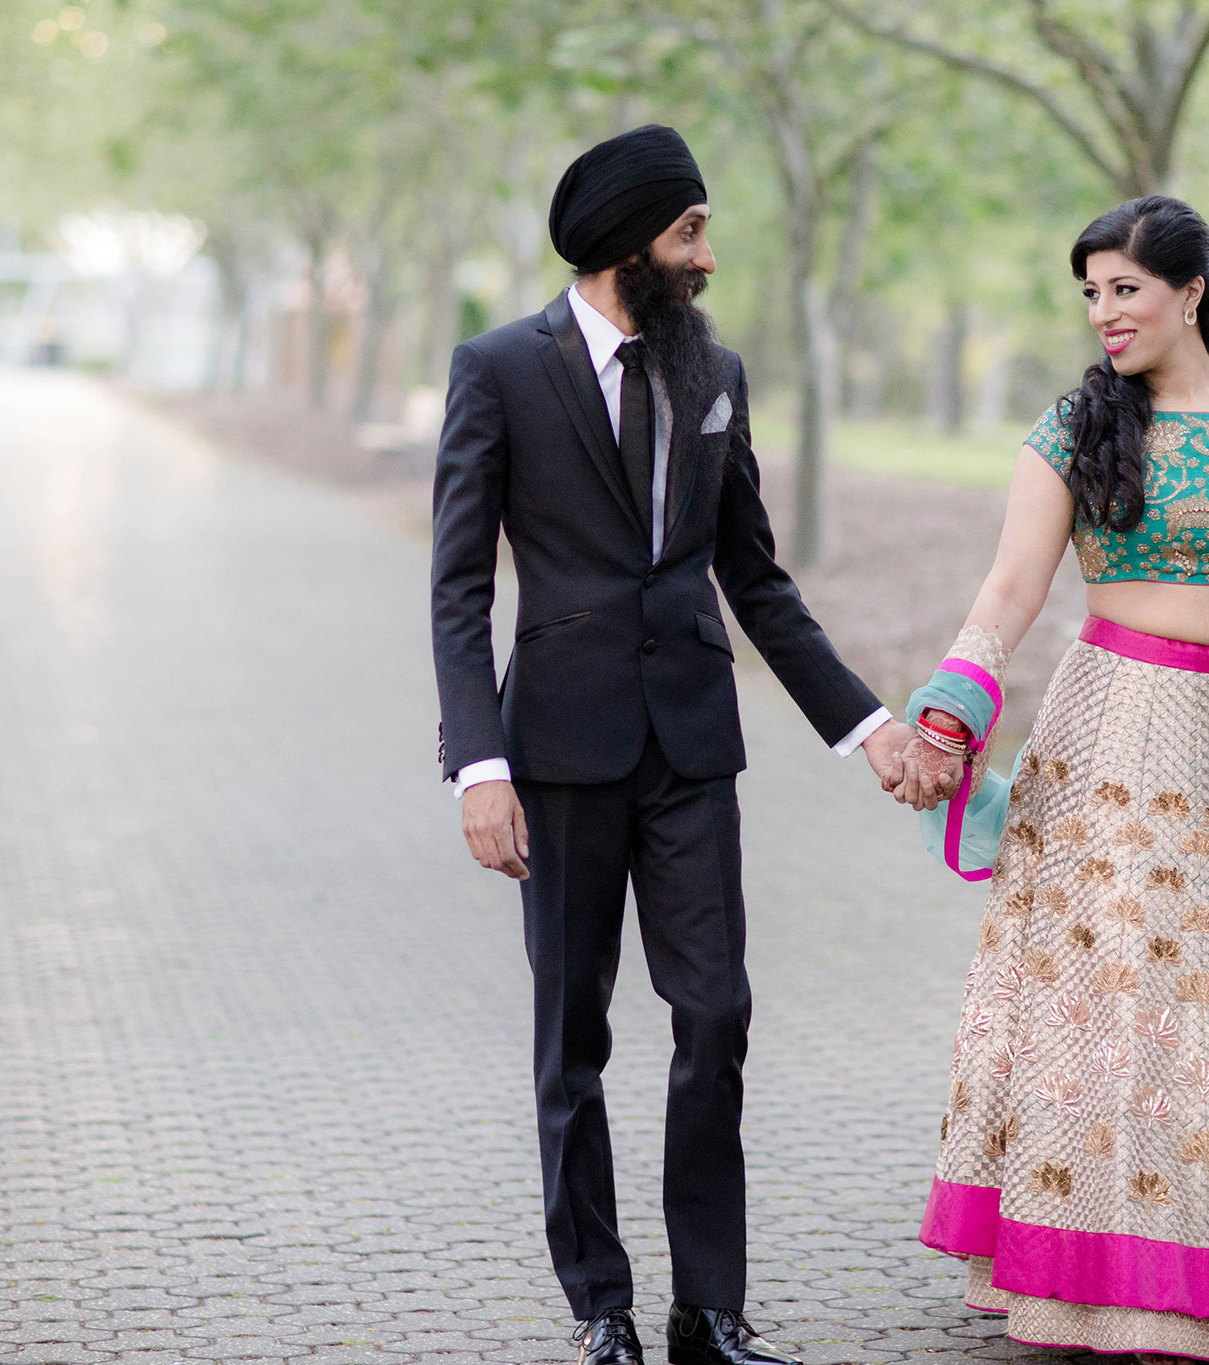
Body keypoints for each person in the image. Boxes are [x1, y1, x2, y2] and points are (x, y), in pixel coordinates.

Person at [429, 124, 914, 1365]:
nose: (705, 256)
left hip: (692, 749)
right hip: (556, 750)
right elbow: (458, 591)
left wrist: (864, 725)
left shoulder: (715, 374)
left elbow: (753, 577)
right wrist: (478, 765)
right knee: (571, 1037)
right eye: (689, 231)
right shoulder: (498, 369)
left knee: (715, 1014)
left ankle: (708, 1308)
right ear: (621, 241)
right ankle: (601, 1308)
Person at [892, 196, 1209, 1362]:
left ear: (1191, 293)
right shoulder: (1072, 427)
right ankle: (1094, 1279)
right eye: (1090, 293)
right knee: (1111, 997)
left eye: (1123, 289)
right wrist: (949, 711)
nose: (1103, 313)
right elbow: (1009, 589)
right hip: (1108, 739)